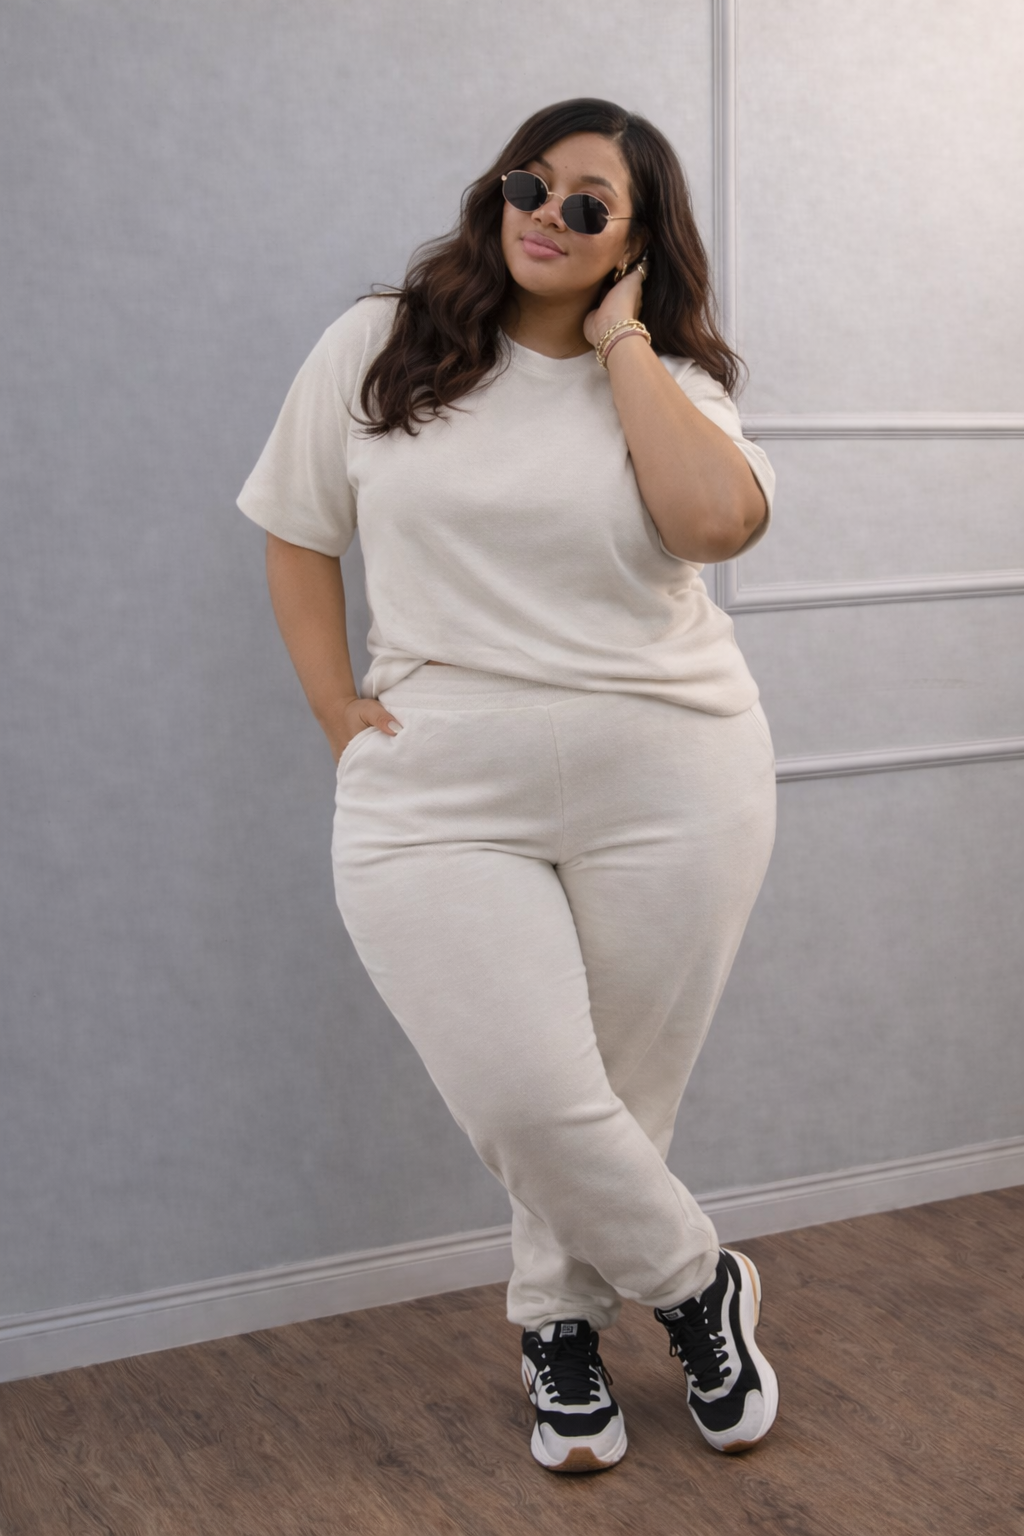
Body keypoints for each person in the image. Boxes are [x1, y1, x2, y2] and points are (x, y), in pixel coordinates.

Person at [237, 97, 779, 1475]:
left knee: (621, 1099)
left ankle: (556, 1332)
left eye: (589, 204)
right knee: (529, 1098)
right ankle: (697, 1283)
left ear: (637, 243)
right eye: (528, 184)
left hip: (673, 775)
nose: (546, 213)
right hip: (437, 786)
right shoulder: (382, 342)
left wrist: (621, 347)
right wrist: (337, 714)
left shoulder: (676, 384)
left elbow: (714, 523)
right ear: (496, 191)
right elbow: (296, 530)